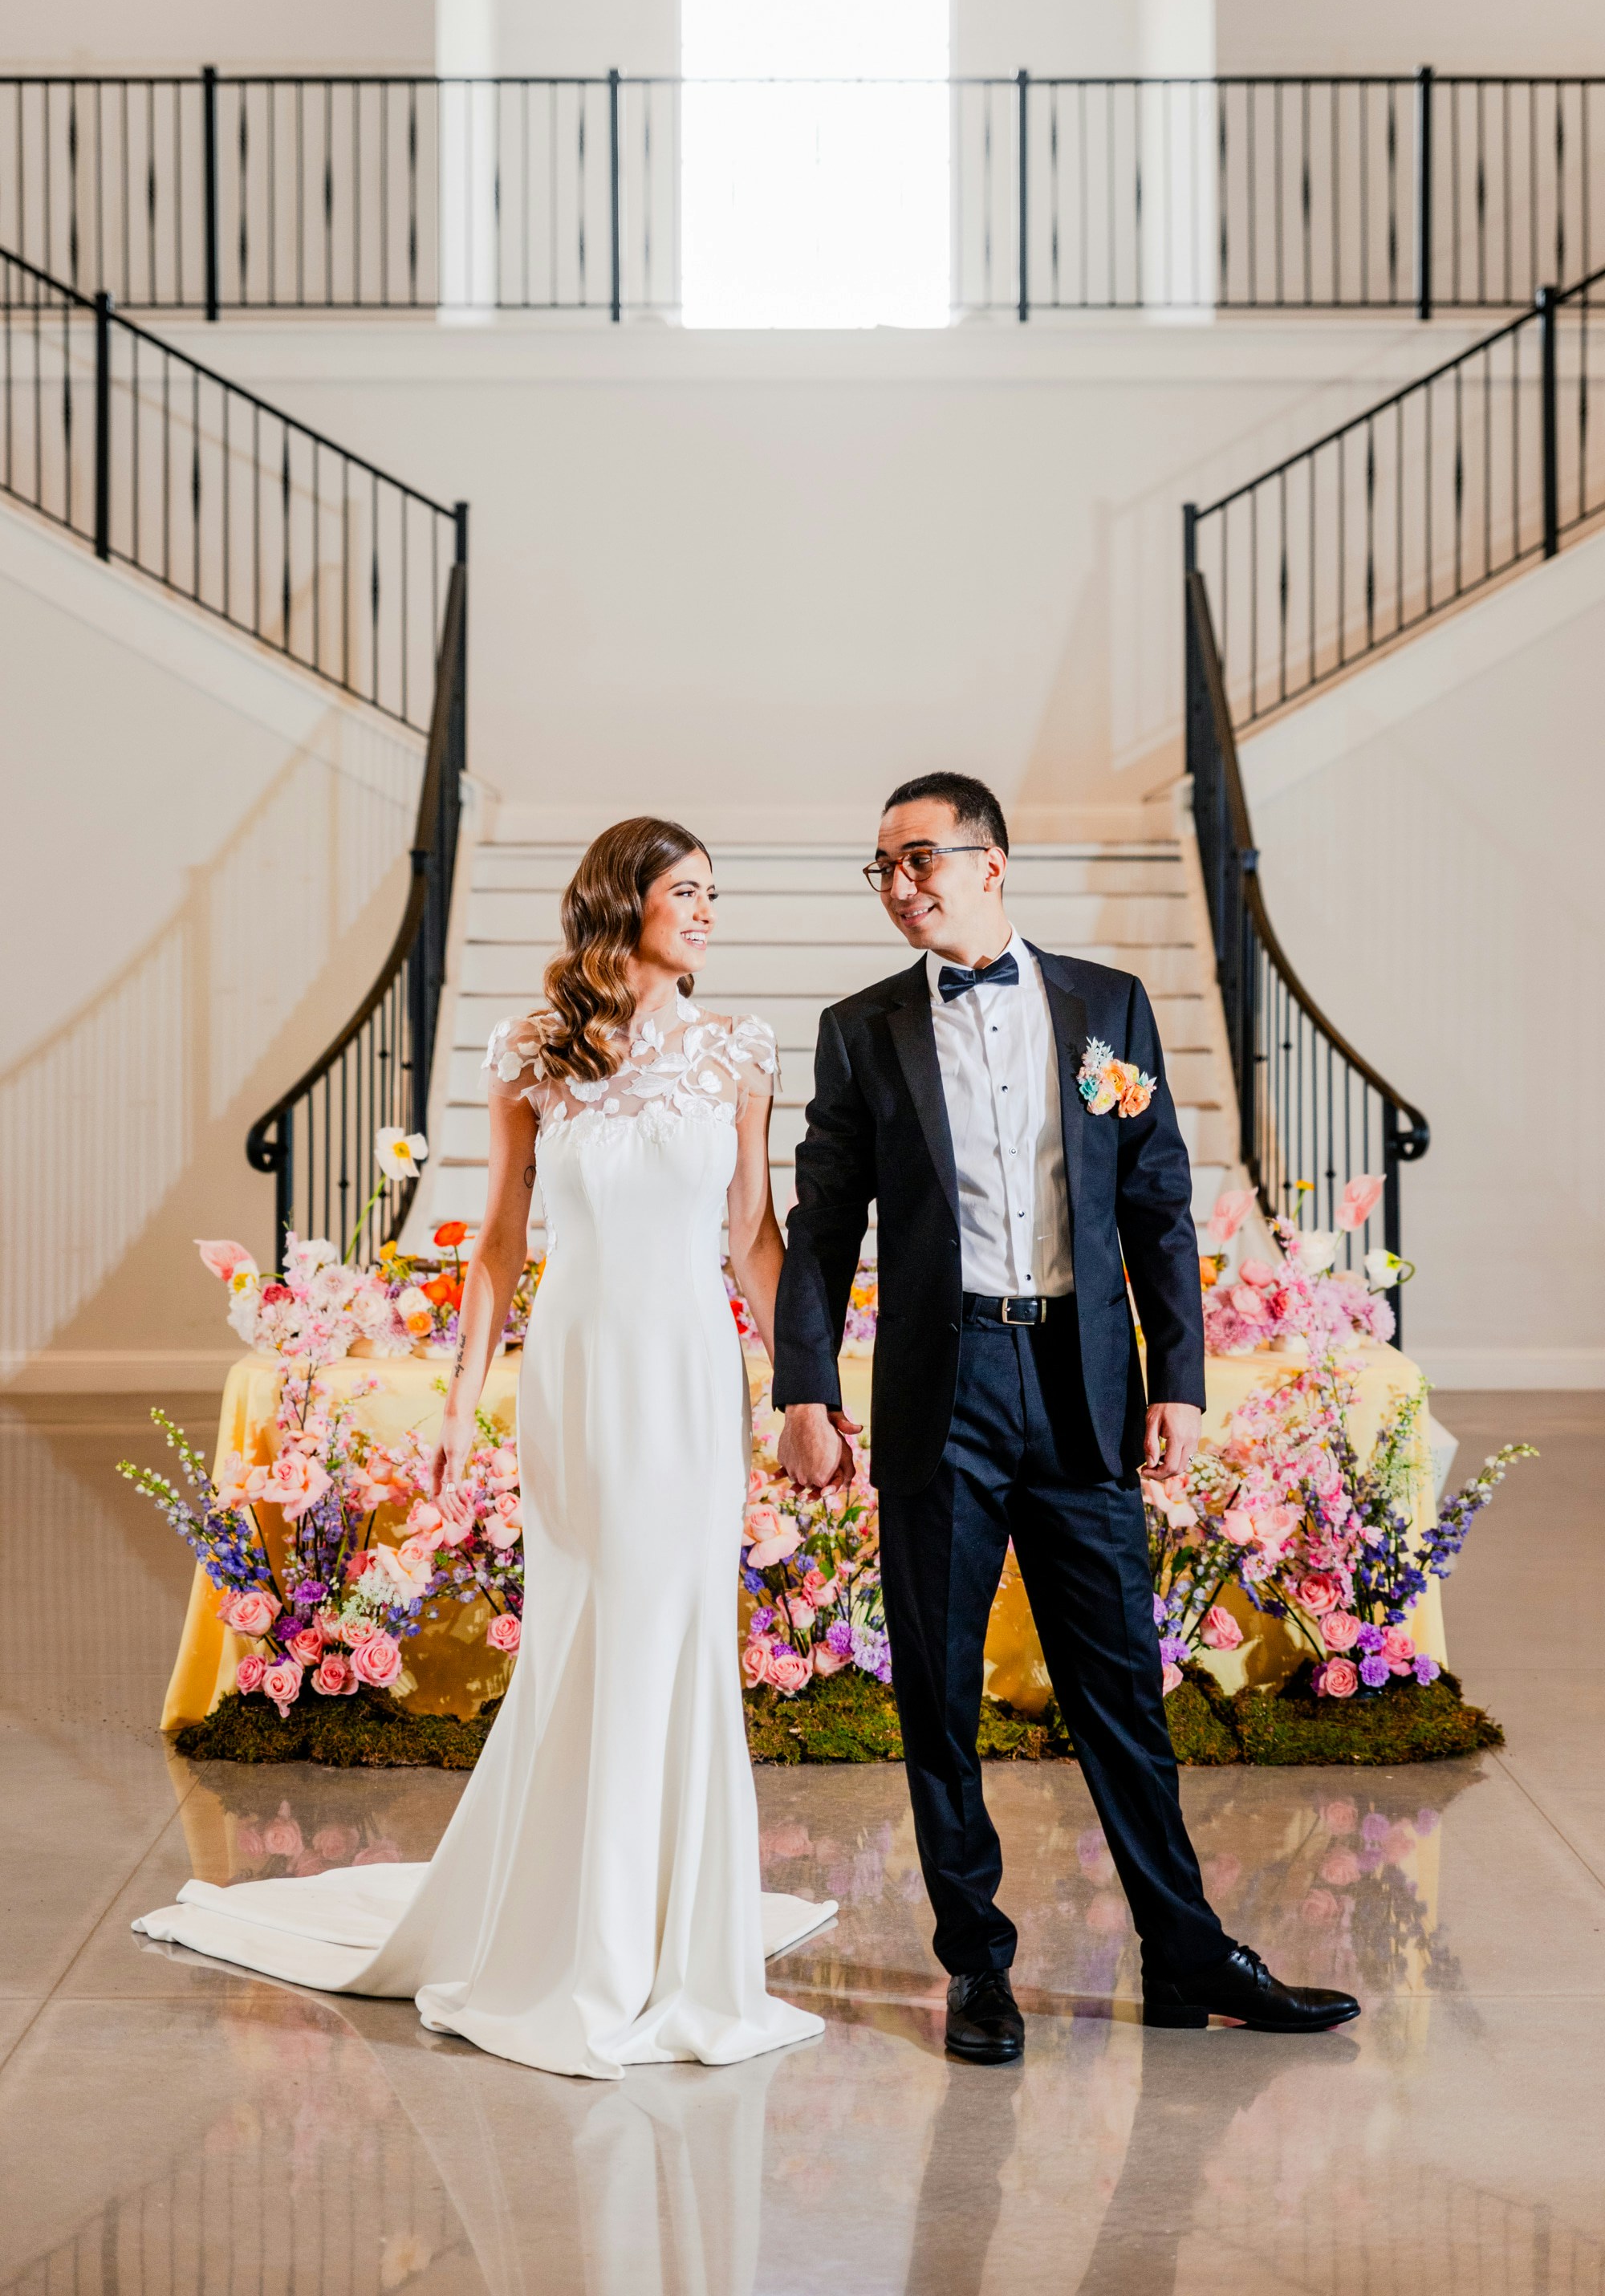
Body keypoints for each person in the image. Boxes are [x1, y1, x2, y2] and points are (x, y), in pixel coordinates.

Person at [135, 818, 833, 2078]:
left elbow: (752, 1233)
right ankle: (587, 1941)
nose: (712, 913)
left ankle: (669, 1944)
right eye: (690, 893)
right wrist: (461, 1400)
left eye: (715, 893)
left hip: (686, 1371)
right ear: (626, 904)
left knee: (678, 1629)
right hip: (576, 1368)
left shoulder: (739, 1053)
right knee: (597, 1624)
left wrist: (806, 1388)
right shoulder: (530, 1050)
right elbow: (500, 1238)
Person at [772, 771, 1359, 2062]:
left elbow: (1157, 1208)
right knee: (937, 1687)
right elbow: (820, 1234)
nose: (899, 885)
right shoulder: (861, 1030)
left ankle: (1188, 1953)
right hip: (944, 1390)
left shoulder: (1109, 1007)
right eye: (881, 869)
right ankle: (976, 1966)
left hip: (1082, 1389)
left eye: (919, 858)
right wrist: (805, 1390)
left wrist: (1183, 1383)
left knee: (1122, 1691)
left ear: (991, 863)